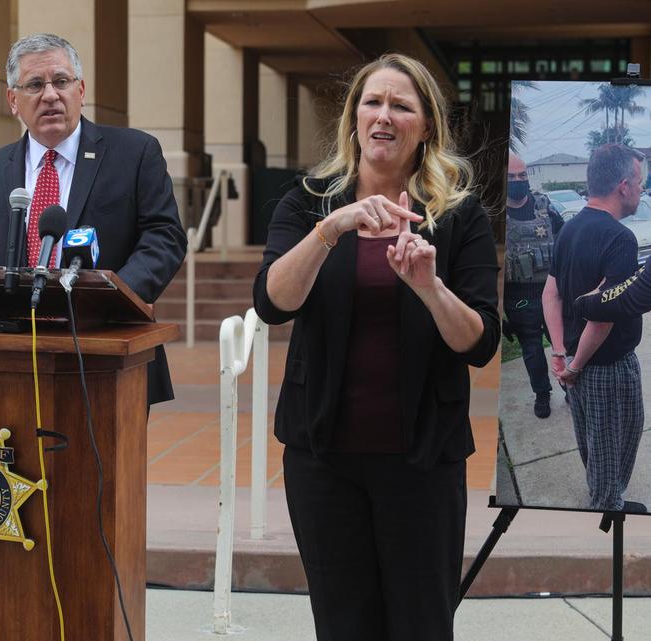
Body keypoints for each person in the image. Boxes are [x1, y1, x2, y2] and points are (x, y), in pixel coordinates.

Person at [252, 53, 499, 641]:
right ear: (354, 117)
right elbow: (271, 302)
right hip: (323, 459)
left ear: (426, 127)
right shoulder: (309, 200)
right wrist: (332, 228)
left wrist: (429, 287)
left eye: (401, 105)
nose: (383, 115)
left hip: (421, 461)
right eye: (372, 102)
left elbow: (480, 342)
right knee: (342, 624)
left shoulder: (459, 217)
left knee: (421, 624)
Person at [0, 33, 186, 405]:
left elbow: (164, 237)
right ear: (13, 101)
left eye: (61, 81)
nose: (50, 95)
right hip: (8, 354)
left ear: (81, 90)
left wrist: (111, 299)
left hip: (107, 350)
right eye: (35, 84)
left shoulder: (134, 153)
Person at [542, 144, 647, 513]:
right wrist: (573, 366)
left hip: (578, 363)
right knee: (611, 452)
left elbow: (550, 293)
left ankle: (607, 498)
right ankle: (607, 514)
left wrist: (560, 353)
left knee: (595, 447)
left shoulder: (569, 228)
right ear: (623, 186)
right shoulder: (620, 238)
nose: (640, 189)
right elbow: (603, 317)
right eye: (640, 181)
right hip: (605, 369)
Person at [503, 153, 563, 417]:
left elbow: (565, 242)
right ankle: (542, 394)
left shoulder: (545, 206)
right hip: (519, 299)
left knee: (562, 344)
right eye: (512, 177)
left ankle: (571, 385)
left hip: (552, 292)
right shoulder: (493, 215)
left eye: (522, 175)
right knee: (532, 348)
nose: (519, 181)